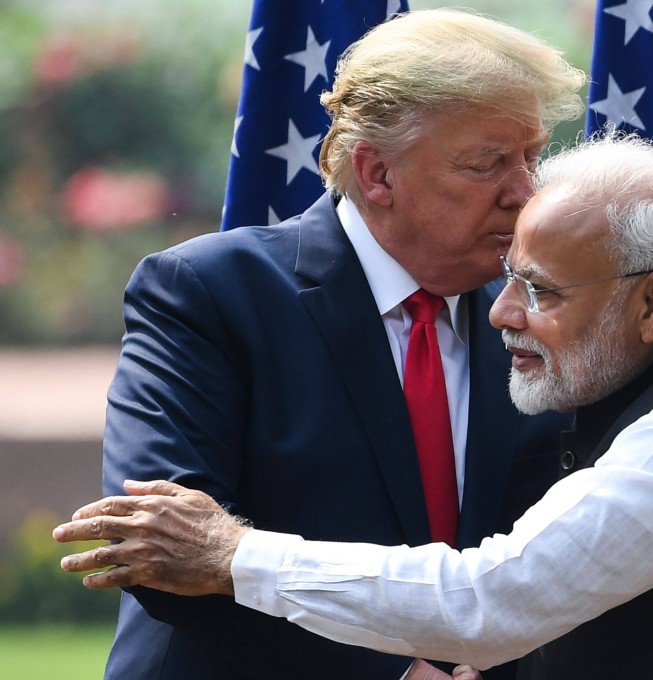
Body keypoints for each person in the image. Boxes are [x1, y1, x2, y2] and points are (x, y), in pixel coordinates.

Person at [57, 134, 653, 679]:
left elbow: (486, 601)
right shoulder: (626, 388)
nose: (499, 311)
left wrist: (233, 554)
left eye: (541, 290)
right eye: (510, 276)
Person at [91, 9, 582, 680]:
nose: (526, 194)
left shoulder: (536, 314)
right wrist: (398, 674)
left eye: (532, 157)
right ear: (377, 174)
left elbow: (561, 552)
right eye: (488, 163)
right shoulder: (208, 295)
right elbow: (158, 548)